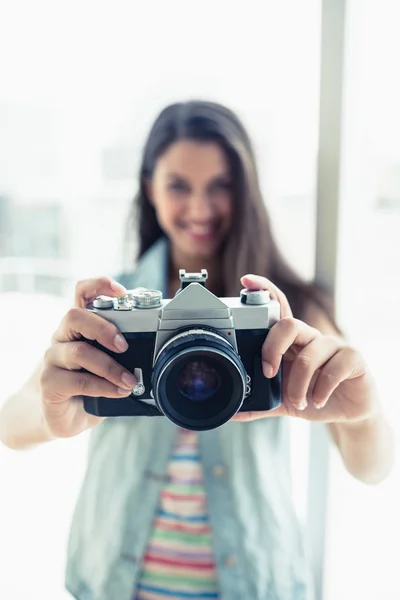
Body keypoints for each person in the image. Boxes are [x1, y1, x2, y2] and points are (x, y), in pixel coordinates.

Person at [0, 100, 395, 600]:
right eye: (179, 186)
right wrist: (54, 409)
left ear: (245, 190)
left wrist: (362, 417)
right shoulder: (115, 304)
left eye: (221, 185)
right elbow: (10, 425)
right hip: (114, 582)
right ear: (150, 189)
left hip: (253, 582)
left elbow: (373, 467)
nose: (201, 209)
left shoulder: (285, 313)